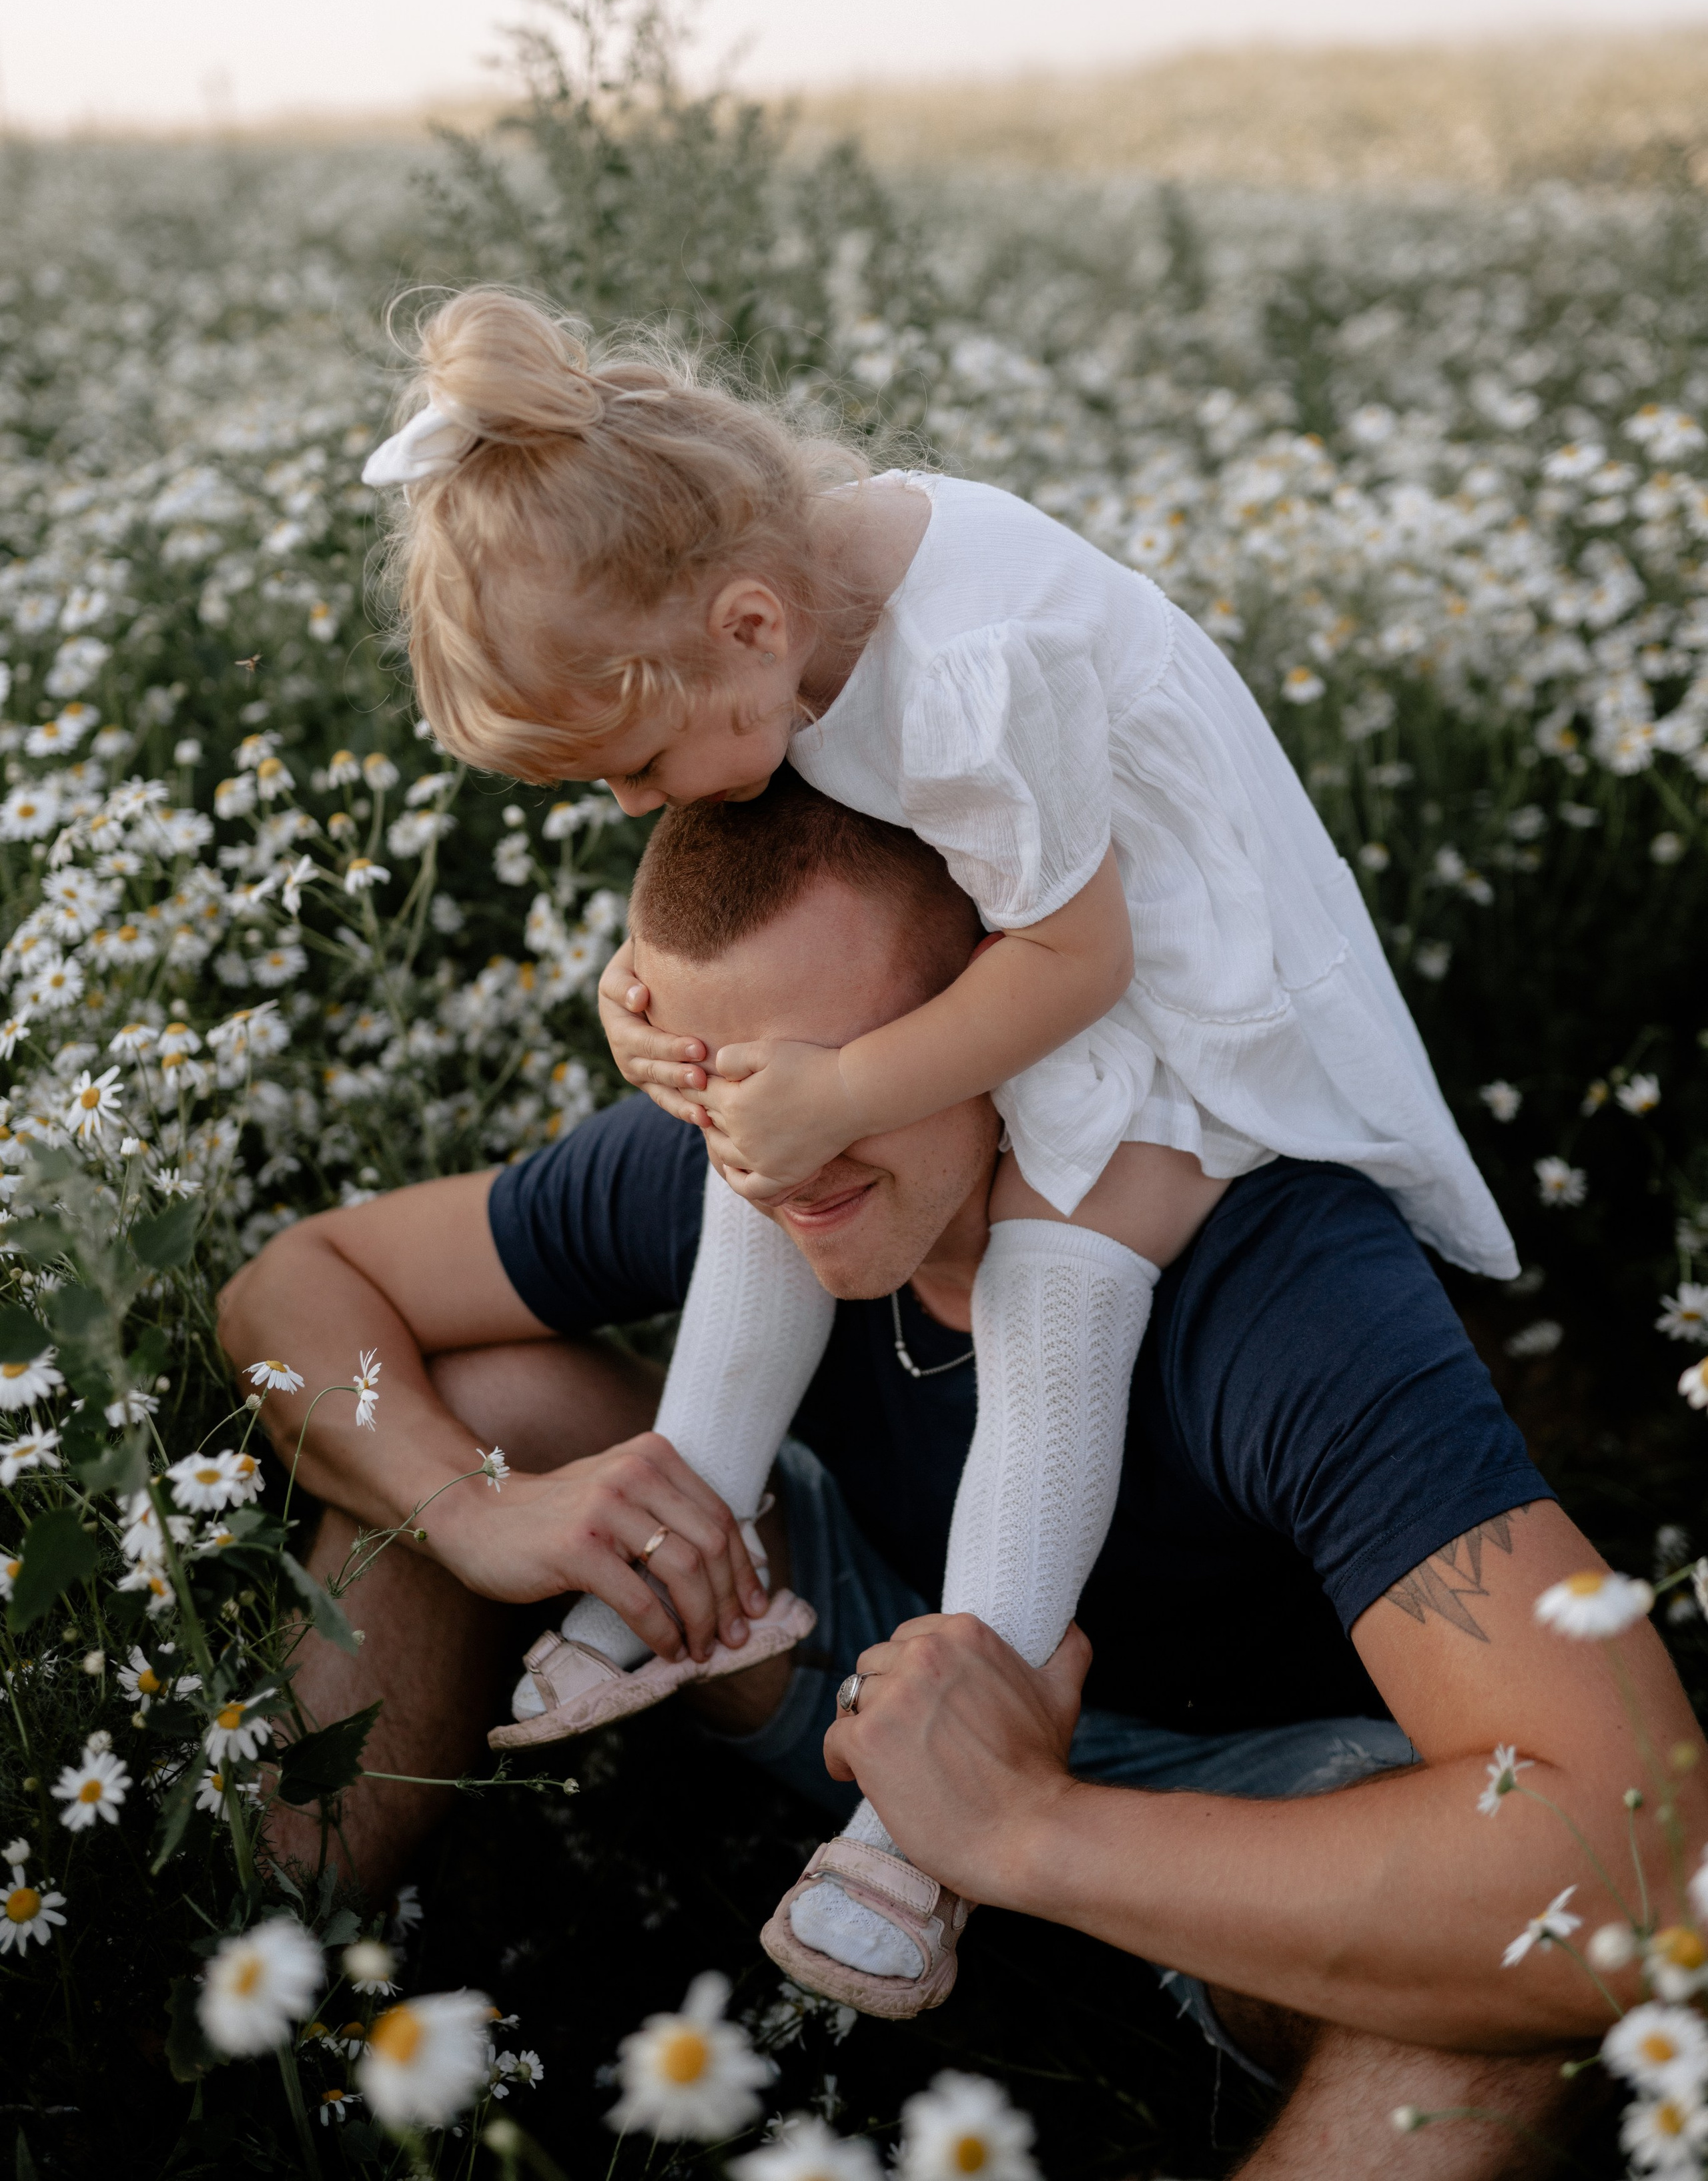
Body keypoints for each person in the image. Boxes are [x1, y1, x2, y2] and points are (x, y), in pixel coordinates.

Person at [222, 781, 1703, 2178]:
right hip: (854, 1659)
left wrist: (1026, 1826)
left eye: (836, 1077)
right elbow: (291, 1287)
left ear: (998, 1020)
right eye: (727, 1082)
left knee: (1507, 2000)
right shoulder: (737, 1156)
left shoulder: (1281, 1270)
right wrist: (476, 1507)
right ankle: (235, 1969)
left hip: (1258, 1796)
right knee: (483, 1413)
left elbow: (1639, 1863)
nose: (779, 1151)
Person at [358, 287, 1519, 2002]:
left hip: (1181, 1005)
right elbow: (792, 861)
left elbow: (1082, 961)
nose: (636, 807)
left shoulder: (968, 669)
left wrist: (837, 1092)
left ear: (748, 623)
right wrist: (645, 995)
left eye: (639, 762)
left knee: (1052, 1289)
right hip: (1017, 942)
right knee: (755, 1161)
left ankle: (921, 1813)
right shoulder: (780, 601)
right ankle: (696, 1537)